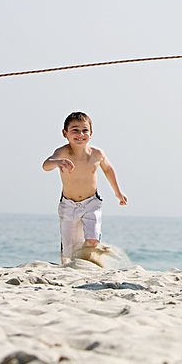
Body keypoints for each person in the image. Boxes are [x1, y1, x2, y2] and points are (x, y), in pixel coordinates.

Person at [42, 111, 128, 264]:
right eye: (75, 130)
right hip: (68, 205)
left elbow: (108, 170)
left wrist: (118, 193)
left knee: (92, 240)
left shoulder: (96, 154)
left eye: (84, 130)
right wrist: (58, 162)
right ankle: (71, 267)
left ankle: (92, 263)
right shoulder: (63, 152)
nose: (80, 134)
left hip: (91, 204)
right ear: (65, 133)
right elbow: (46, 165)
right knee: (68, 249)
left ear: (91, 133)